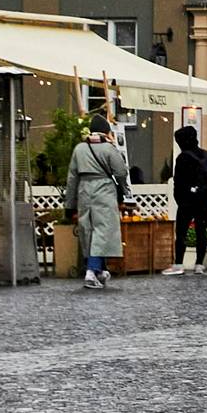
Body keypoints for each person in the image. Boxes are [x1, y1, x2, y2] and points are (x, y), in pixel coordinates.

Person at [70, 100, 131, 290]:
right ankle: (91, 271)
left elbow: (72, 177)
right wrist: (124, 191)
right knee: (102, 231)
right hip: (103, 189)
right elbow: (121, 172)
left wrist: (69, 204)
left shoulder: (79, 149)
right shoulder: (109, 149)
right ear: (105, 131)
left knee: (88, 230)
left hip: (84, 190)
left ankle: (100, 270)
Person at [168, 119, 207, 275]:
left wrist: (181, 200)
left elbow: (179, 181)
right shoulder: (205, 154)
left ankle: (178, 264)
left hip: (187, 201)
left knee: (181, 232)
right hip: (204, 200)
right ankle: (199, 264)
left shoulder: (182, 158)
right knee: (201, 231)